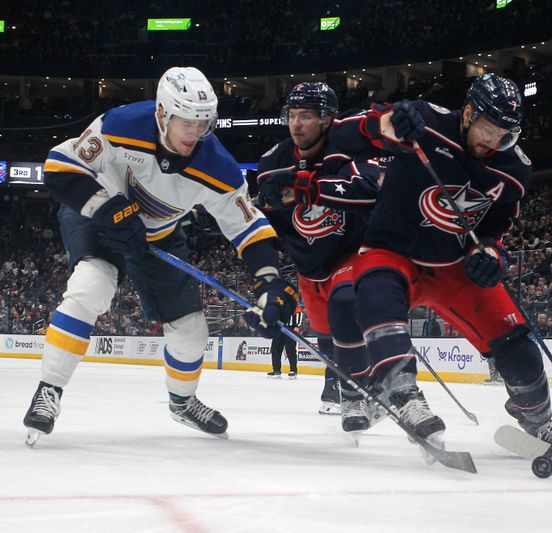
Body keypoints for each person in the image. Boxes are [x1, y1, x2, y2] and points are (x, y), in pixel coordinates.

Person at [23, 66, 298, 444]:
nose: (195, 134)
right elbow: (58, 168)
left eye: (203, 124)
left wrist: (269, 280)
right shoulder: (119, 125)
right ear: (162, 114)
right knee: (91, 287)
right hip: (97, 218)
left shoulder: (218, 167)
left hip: (161, 236)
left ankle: (182, 403)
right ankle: (49, 390)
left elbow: (246, 228)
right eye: (187, 123)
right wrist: (109, 208)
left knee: (192, 331)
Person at [331, 73, 552, 454]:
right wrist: (382, 125)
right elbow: (342, 137)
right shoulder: (424, 120)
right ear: (467, 113)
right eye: (488, 130)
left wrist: (492, 254)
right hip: (393, 251)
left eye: (505, 135)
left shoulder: (515, 168)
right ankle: (405, 396)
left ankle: (538, 420)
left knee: (517, 343)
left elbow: (498, 225)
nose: (494, 142)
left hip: (454, 266)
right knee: (376, 295)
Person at [256, 82, 381, 431]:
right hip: (308, 266)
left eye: (306, 117)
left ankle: (359, 389)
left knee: (345, 305)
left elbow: (369, 191)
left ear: (327, 120)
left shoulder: (346, 150)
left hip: (349, 254)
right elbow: (268, 221)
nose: (296, 125)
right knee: (327, 335)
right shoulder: (272, 161)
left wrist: (300, 184)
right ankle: (339, 380)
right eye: (292, 116)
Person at [267, 306, 303, 379]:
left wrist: (297, 326)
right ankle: (276, 370)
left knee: (290, 350)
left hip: (290, 329)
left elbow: (299, 313)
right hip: (278, 329)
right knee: (275, 349)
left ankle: (293, 370)